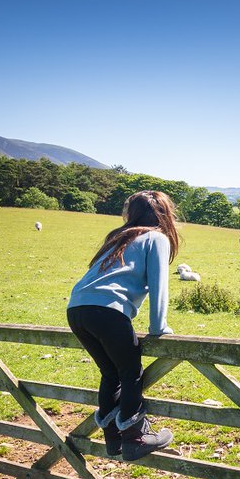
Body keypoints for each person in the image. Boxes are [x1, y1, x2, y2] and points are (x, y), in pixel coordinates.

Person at [67, 190, 178, 460]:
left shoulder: (119, 237)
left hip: (77, 309)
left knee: (111, 373)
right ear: (164, 214)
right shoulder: (156, 238)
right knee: (131, 373)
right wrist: (158, 328)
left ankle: (113, 438)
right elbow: (159, 287)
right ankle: (136, 437)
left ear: (132, 213)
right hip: (107, 310)